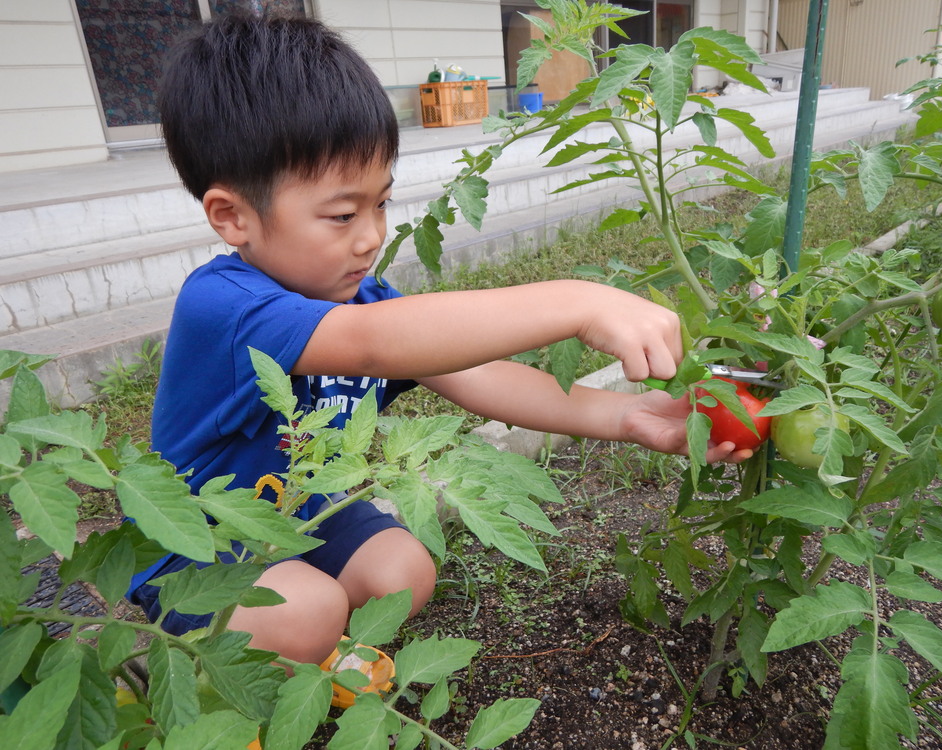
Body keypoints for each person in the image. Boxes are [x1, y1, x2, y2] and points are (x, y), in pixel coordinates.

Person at [127, 11, 750, 680]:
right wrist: (579, 300)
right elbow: (373, 347)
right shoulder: (222, 306)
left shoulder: (359, 297)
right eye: (341, 215)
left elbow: (479, 374)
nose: (369, 237)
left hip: (298, 517)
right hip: (197, 546)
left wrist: (627, 417)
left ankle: (296, 647)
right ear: (233, 217)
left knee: (404, 574)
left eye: (381, 205)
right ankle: (202, 679)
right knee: (307, 610)